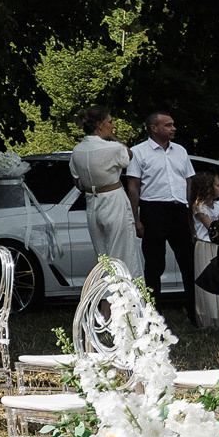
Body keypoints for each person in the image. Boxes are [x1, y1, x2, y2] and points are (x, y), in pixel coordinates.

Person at [126, 109, 198, 314]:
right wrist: (137, 218)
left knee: (188, 261)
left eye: (173, 124)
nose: (173, 128)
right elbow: (133, 186)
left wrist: (189, 211)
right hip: (153, 209)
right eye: (168, 125)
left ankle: (193, 310)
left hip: (178, 209)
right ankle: (152, 312)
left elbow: (188, 181)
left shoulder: (180, 151)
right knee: (154, 264)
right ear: (154, 128)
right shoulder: (138, 152)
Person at [70, 106, 140, 276]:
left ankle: (105, 299)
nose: (113, 126)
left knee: (103, 258)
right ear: (100, 125)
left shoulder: (77, 150)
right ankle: (124, 297)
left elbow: (76, 180)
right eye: (110, 122)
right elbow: (128, 155)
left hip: (91, 201)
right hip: (113, 199)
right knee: (123, 254)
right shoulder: (113, 148)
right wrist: (112, 138)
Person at [190, 171, 219, 328]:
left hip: (218, 246)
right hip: (206, 246)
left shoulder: (218, 205)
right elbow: (211, 227)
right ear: (208, 189)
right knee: (209, 281)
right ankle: (211, 318)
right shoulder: (199, 208)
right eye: (217, 185)